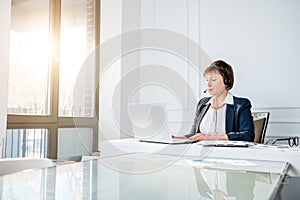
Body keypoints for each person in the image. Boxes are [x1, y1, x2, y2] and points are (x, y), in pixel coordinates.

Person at [173, 60, 254, 141]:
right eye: (207, 80)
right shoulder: (202, 104)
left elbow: (247, 135)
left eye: (214, 80)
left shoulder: (241, 104)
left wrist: (210, 138)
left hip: (228, 152)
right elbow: (194, 134)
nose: (208, 84)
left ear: (227, 81)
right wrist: (176, 138)